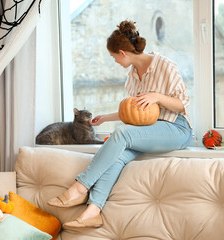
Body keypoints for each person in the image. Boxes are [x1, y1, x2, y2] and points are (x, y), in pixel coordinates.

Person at [48, 19, 193, 229]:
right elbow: (134, 113)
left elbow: (182, 105)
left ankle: (80, 187)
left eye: (113, 56)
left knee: (122, 134)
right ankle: (93, 211)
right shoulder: (132, 77)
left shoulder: (165, 65)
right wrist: (105, 117)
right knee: (116, 158)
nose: (114, 61)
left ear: (122, 53)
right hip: (148, 131)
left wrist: (157, 97)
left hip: (176, 128)